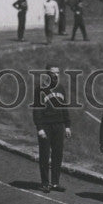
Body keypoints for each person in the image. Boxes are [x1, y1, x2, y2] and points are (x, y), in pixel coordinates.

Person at [32, 64, 72, 192]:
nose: (56, 75)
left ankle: (55, 183)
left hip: (59, 125)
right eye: (53, 72)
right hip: (46, 126)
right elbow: (37, 110)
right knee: (44, 154)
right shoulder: (40, 89)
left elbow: (64, 108)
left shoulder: (60, 88)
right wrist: (40, 128)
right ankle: (45, 183)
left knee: (58, 154)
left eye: (58, 73)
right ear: (47, 74)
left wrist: (67, 126)